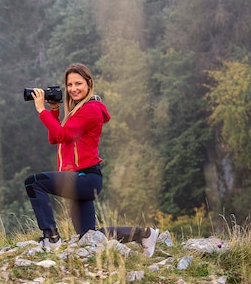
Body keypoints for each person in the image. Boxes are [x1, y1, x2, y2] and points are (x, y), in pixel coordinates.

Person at [24, 63, 159, 257]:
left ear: (89, 84)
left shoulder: (92, 110)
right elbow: (54, 138)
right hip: (78, 177)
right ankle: (144, 234)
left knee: (33, 183)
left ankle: (51, 237)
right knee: (88, 237)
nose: (73, 89)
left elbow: (62, 135)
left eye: (78, 83)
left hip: (86, 177)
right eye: (69, 85)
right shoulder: (76, 111)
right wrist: (53, 110)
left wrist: (41, 110)